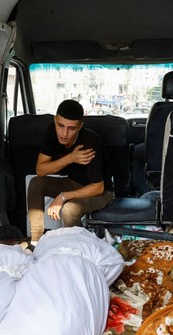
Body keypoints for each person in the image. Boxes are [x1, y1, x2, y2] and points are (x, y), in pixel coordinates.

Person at [27, 99, 113, 244]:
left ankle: (75, 248)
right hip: (73, 183)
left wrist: (62, 197)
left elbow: (98, 188)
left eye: (71, 128)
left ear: (80, 126)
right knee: (36, 183)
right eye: (60, 125)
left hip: (101, 192)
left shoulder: (90, 142)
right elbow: (40, 170)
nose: (64, 133)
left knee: (69, 209)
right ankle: (36, 241)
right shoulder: (52, 131)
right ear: (55, 120)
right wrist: (71, 158)